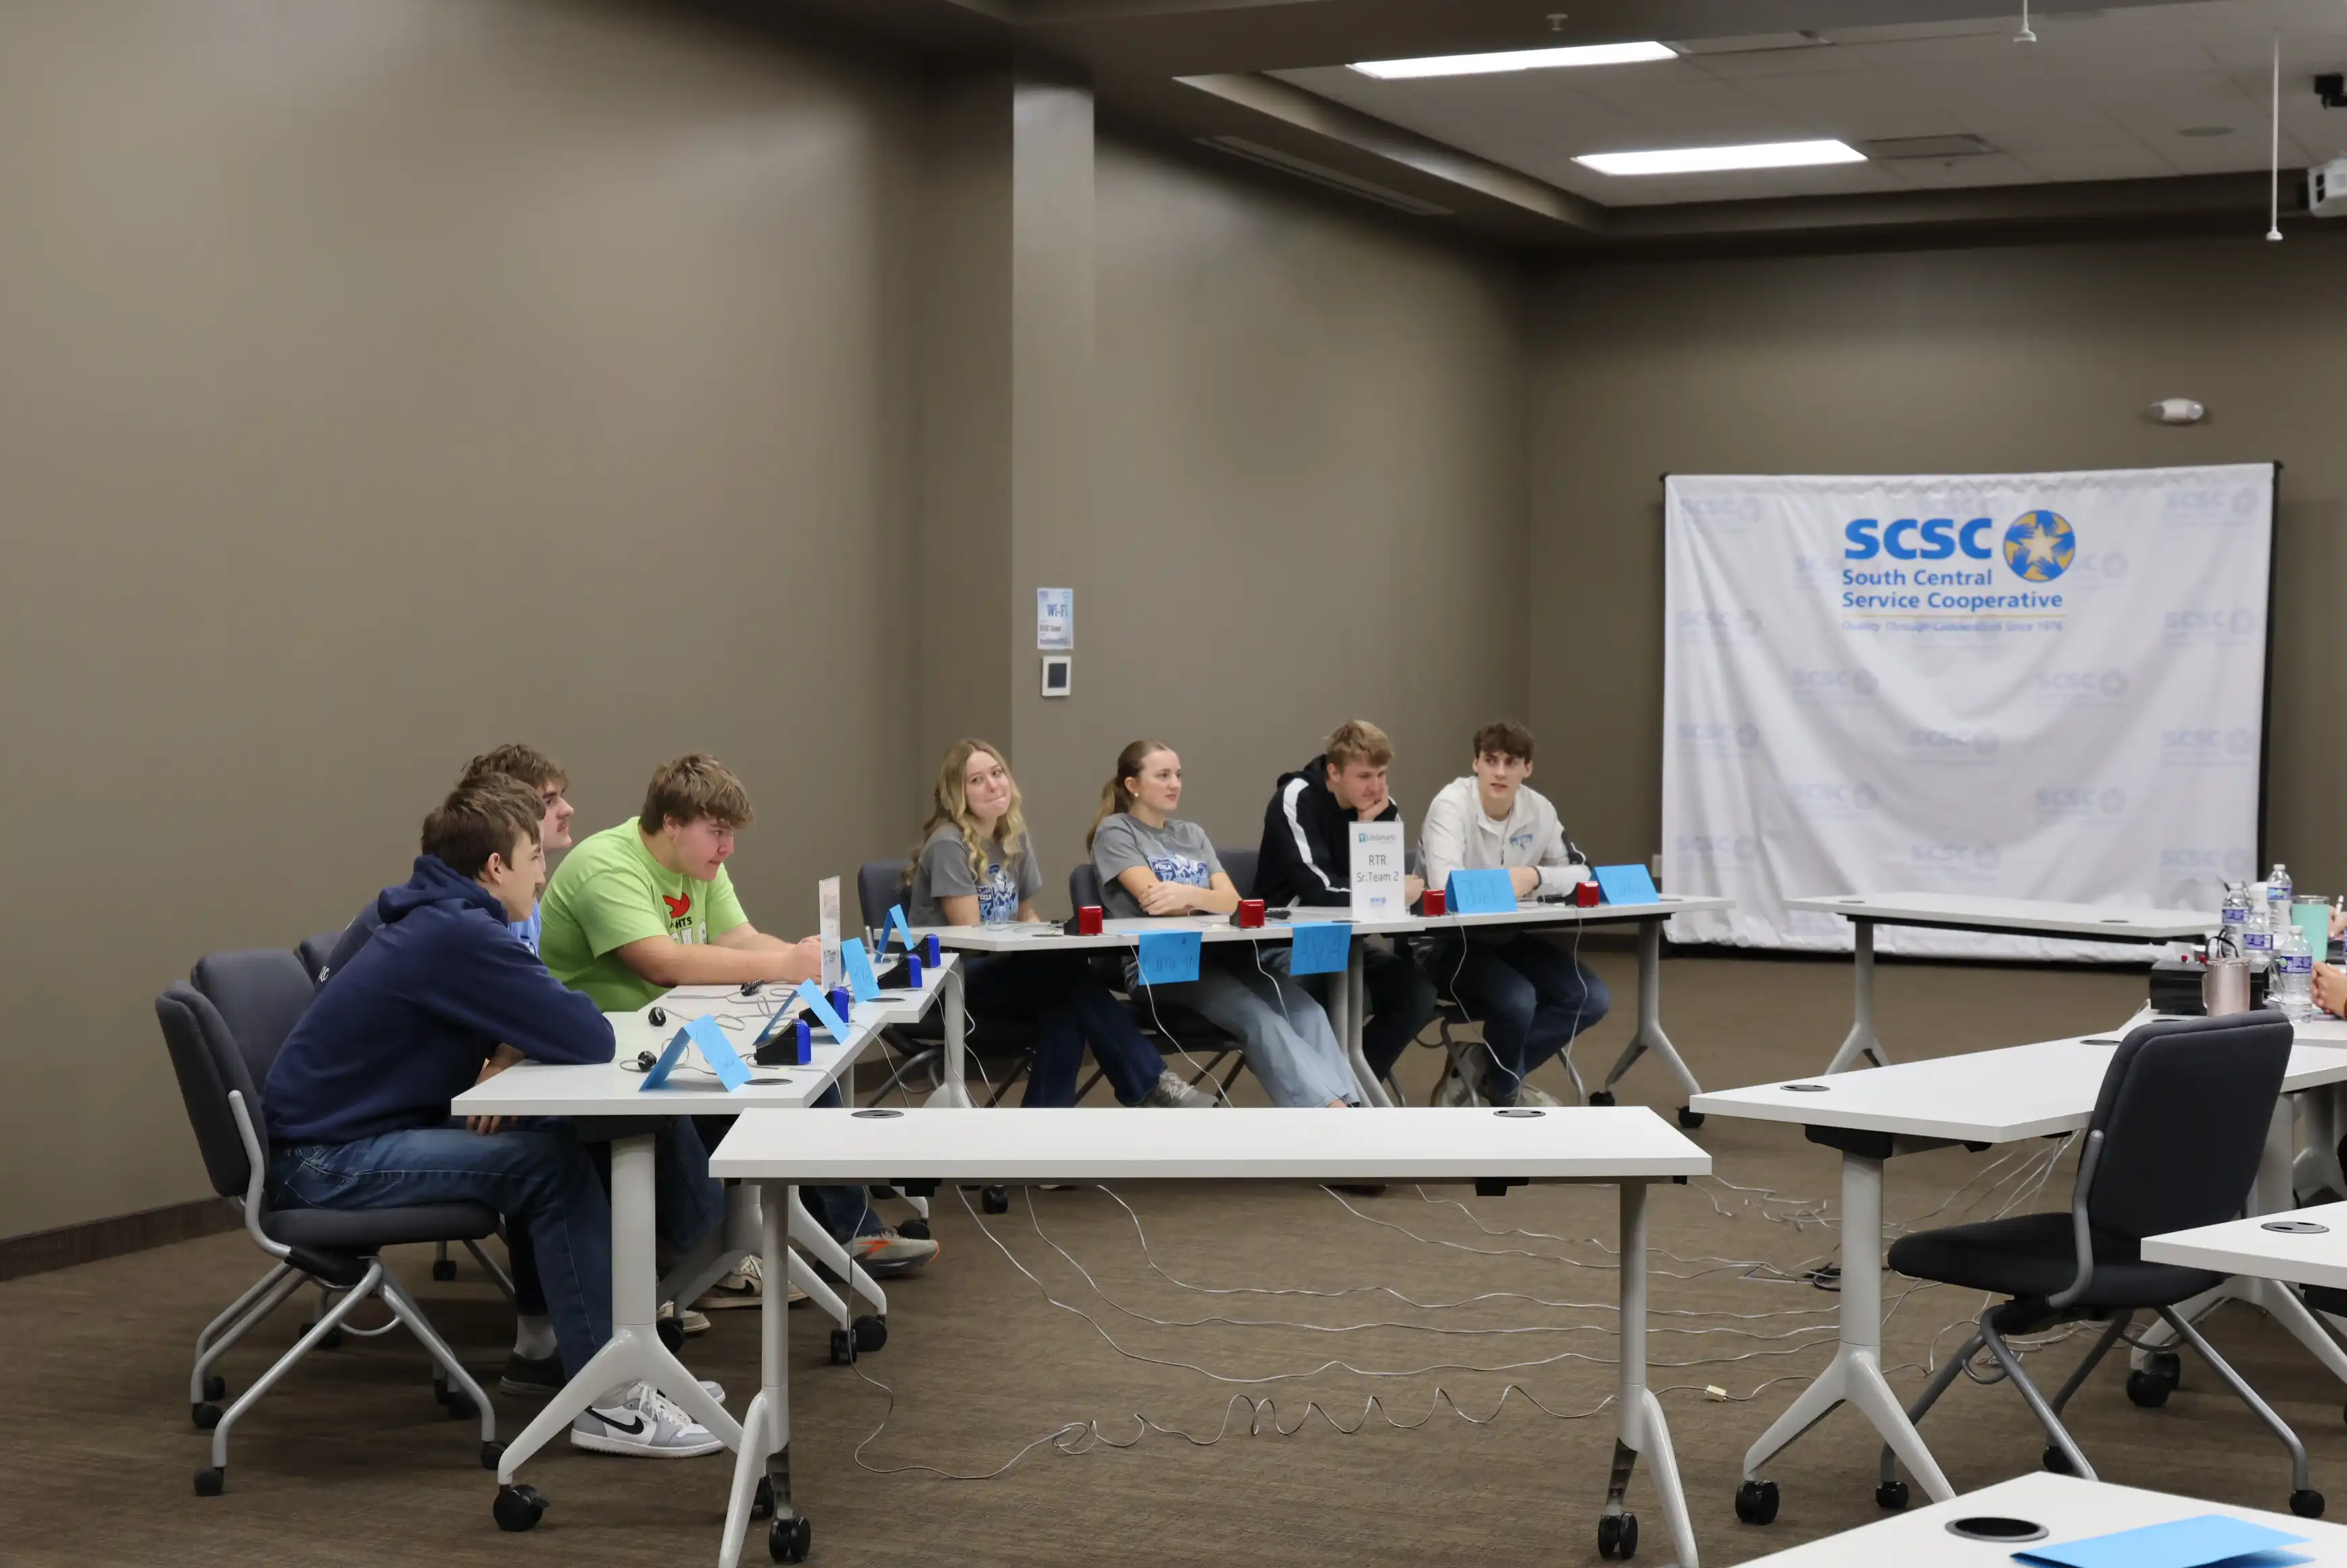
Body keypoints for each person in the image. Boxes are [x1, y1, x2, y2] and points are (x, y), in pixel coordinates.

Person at [265, 776, 724, 1457]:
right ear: (495, 867)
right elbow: (585, 1032)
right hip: (327, 1160)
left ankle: (601, 1362)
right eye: (535, 857)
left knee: (550, 1134)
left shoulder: (439, 917)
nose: (544, 875)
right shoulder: (458, 933)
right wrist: (520, 1037)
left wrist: (510, 1044)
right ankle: (611, 1401)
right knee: (547, 1166)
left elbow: (543, 1023)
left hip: (357, 1133)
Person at [537, 753, 935, 1275]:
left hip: (668, 1038)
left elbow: (741, 938)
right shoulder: (606, 864)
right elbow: (662, 962)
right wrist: (785, 964)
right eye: (718, 832)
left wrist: (804, 960)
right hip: (608, 1056)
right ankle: (716, 1263)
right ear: (672, 823)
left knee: (798, 1064)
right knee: (696, 1113)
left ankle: (853, 1233)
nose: (728, 847)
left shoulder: (699, 864)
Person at [907, 739, 1209, 1108]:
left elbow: (1025, 915)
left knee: (1064, 1010)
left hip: (1002, 974)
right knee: (1067, 978)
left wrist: (1044, 939)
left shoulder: (1012, 836)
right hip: (950, 981)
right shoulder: (948, 844)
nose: (993, 785)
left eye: (998, 773)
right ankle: (1151, 1084)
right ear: (957, 792)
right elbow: (972, 936)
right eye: (976, 780)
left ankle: (1041, 1131)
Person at [1089, 739, 1360, 1108]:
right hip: (1160, 963)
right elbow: (1154, 902)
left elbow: (1234, 902)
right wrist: (1202, 898)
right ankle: (1331, 1114)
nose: (1175, 784)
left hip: (1220, 956)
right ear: (1133, 785)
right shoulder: (1116, 832)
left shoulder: (1192, 834)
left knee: (1307, 1010)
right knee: (1259, 1018)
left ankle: (1356, 1111)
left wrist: (1189, 897)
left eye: (1179, 775)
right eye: (1163, 775)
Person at [1416, 720, 1610, 1107]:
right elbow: (1447, 886)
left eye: (1512, 762)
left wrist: (1534, 876)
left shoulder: (1539, 809)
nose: (1500, 772)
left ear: (1528, 768)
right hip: (1443, 944)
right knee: (1518, 1000)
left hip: (1507, 938)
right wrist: (1511, 882)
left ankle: (1487, 1066)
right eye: (1491, 761)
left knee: (1590, 997)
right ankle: (1505, 1094)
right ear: (1476, 764)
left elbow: (1580, 872)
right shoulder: (1451, 805)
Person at [1253, 719, 1439, 1089]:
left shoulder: (1382, 806)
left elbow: (1382, 896)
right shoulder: (1296, 797)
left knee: (1418, 992)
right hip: (1287, 942)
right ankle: (1335, 1096)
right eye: (1365, 776)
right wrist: (1386, 892)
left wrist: (1370, 826)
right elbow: (1320, 890)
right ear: (1334, 772)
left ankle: (1351, 1090)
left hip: (1348, 944)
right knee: (1339, 996)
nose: (1376, 787)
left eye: (1382, 774)